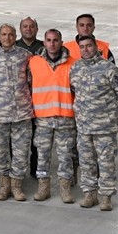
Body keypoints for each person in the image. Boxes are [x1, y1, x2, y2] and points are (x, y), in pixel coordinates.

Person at [69, 35, 118, 211]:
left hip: (105, 126)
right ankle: (90, 194)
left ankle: (106, 197)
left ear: (96, 46)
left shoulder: (109, 68)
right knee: (87, 161)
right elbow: (74, 92)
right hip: (83, 126)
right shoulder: (75, 68)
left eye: (89, 46)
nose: (85, 49)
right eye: (82, 47)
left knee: (106, 163)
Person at [0, 24, 34, 201]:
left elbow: (31, 81)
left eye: (11, 34)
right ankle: (4, 185)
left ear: (16, 36)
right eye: (4, 34)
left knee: (21, 151)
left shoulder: (25, 55)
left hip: (21, 112)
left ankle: (17, 186)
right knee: (0, 152)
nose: (7, 38)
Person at [29, 29, 77, 203]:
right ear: (44, 42)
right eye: (48, 40)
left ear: (61, 42)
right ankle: (43, 187)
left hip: (65, 118)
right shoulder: (34, 62)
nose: (52, 43)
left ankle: (65, 187)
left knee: (65, 155)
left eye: (55, 40)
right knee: (42, 155)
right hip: (43, 118)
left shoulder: (73, 63)